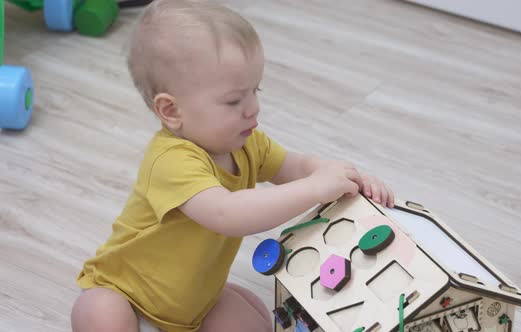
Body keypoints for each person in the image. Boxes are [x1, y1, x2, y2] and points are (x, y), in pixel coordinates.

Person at [70, 1, 394, 331]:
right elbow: (226, 214)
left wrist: (344, 176)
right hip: (127, 294)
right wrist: (313, 188)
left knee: (256, 323)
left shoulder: (246, 144)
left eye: (255, 91)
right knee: (100, 313)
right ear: (171, 111)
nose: (253, 108)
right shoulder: (170, 160)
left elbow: (296, 166)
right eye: (233, 100)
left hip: (194, 305)